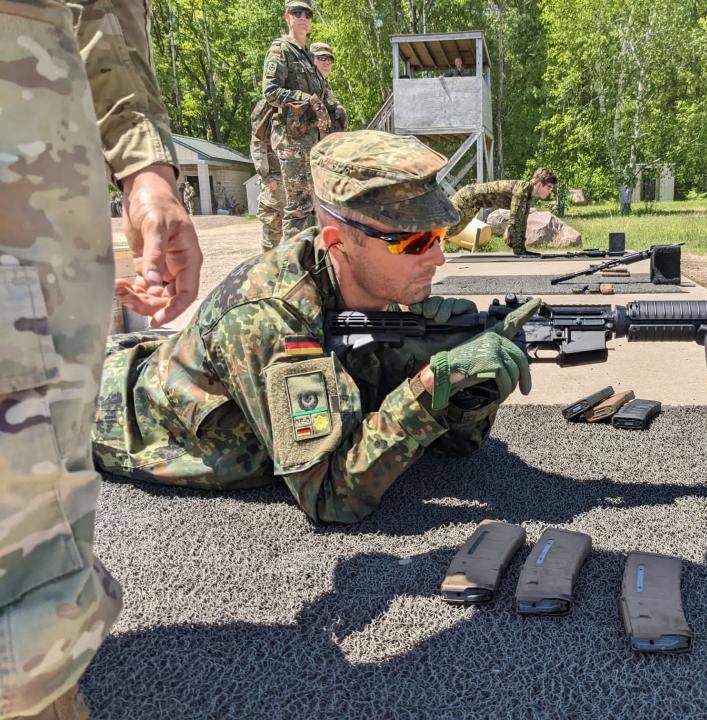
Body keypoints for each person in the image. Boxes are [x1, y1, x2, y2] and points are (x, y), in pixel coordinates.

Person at [91, 130, 539, 526]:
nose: (438, 258)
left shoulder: (371, 297)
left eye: (438, 237)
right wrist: (433, 383)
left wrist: (473, 384)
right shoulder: (270, 321)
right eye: (414, 242)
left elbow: (448, 450)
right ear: (338, 243)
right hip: (92, 410)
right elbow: (329, 496)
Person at [0, 0, 203, 717]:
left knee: (28, 592)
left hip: (36, 151)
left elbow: (102, 15)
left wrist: (146, 170)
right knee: (22, 631)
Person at [262, 0, 329, 241]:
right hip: (292, 140)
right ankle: (292, 267)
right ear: (287, 17)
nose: (303, 17)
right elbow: (270, 92)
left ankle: (309, 262)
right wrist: (304, 99)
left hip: (309, 141)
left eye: (308, 14)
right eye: (296, 12)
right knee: (299, 207)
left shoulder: (306, 58)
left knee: (311, 205)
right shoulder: (281, 50)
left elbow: (322, 95)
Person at [447, 168, 558, 255]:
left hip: (474, 201)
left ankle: (430, 243)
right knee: (450, 229)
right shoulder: (521, 192)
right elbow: (515, 221)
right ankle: (429, 243)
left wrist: (521, 248)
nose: (550, 191)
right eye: (548, 187)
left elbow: (522, 221)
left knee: (451, 230)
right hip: (468, 197)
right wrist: (519, 249)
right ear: (538, 184)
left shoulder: (527, 194)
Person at [250, 98, 286, 250]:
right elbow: (258, 141)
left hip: (296, 176)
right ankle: (270, 267)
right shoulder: (269, 105)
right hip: (276, 179)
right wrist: (266, 175)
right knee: (273, 224)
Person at [309, 42, 349, 132]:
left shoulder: (324, 84)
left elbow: (332, 102)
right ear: (311, 60)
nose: (327, 62)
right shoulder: (305, 80)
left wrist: (339, 108)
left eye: (330, 59)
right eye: (322, 58)